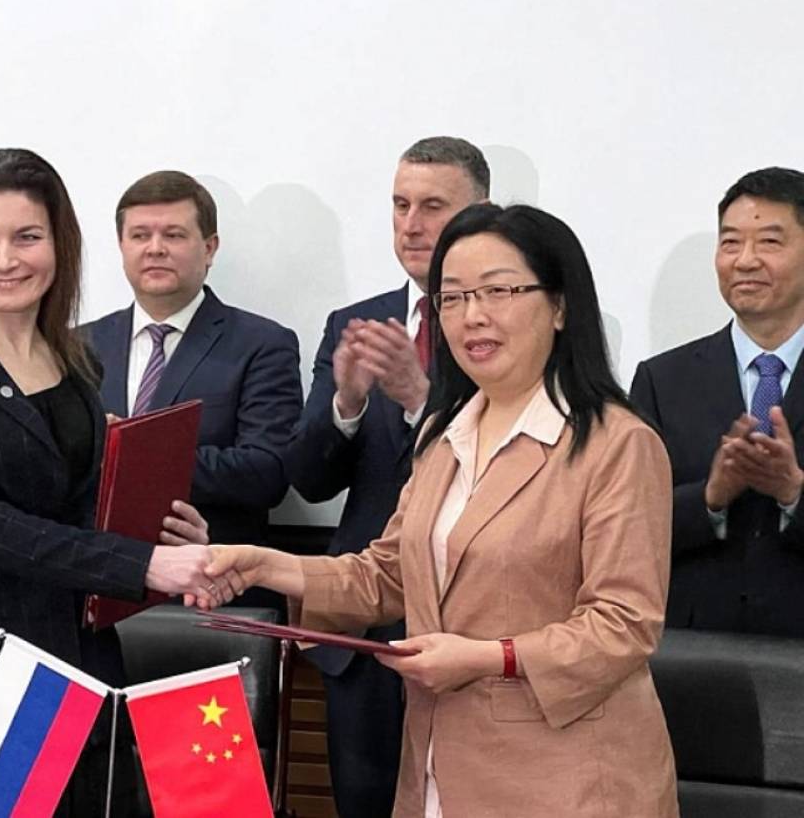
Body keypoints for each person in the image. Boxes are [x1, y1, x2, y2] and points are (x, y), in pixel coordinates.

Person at [208, 204, 678, 817]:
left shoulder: (616, 443)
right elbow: (388, 575)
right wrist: (266, 565)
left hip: (569, 778)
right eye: (452, 298)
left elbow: (623, 624)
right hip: (437, 764)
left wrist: (485, 657)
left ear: (561, 306)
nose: (471, 315)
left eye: (499, 291)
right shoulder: (444, 434)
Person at [0, 149, 224, 817]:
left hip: (79, 668)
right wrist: (141, 562)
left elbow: (82, 504)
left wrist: (161, 532)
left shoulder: (77, 357)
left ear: (59, 244)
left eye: (27, 237)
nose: (4, 259)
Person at [283, 136, 488, 816]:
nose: (411, 225)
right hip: (363, 635)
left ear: (480, 213)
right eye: (400, 206)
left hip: (470, 623)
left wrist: (418, 399)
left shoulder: (504, 326)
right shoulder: (355, 323)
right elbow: (310, 480)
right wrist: (346, 404)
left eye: (433, 206)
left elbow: (511, 469)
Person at [80, 169, 302, 553]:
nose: (155, 248)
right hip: (94, 568)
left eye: (173, 235)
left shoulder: (262, 344)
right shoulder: (77, 345)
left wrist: (131, 453)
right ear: (121, 246)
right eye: (140, 235)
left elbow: (267, 471)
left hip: (209, 571)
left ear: (210, 248)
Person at [631, 167, 804, 635]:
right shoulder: (662, 380)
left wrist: (793, 491)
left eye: (769, 242)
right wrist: (711, 496)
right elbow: (627, 528)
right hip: (692, 653)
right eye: (730, 243)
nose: (745, 261)